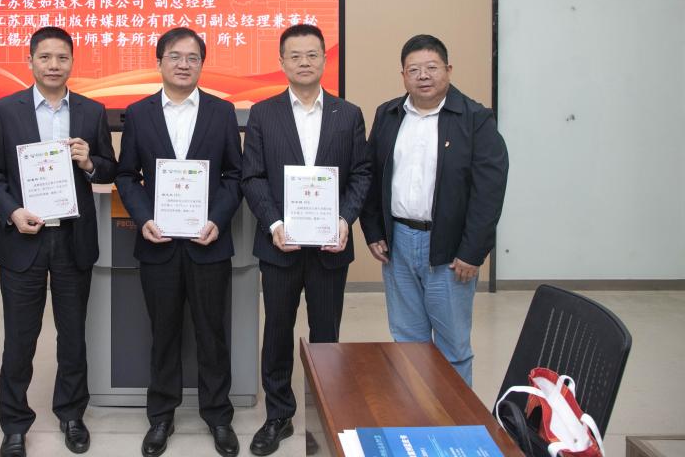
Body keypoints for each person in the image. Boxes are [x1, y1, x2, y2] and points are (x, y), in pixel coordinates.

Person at [0, 27, 117, 457]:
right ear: (30, 61)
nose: (54, 65)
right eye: (45, 57)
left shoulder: (92, 111)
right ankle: (14, 423)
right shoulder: (5, 110)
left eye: (62, 58)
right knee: (19, 338)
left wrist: (90, 162)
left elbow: (110, 168)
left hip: (73, 238)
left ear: (72, 62)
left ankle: (72, 414)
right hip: (24, 237)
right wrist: (12, 211)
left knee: (73, 336)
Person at [241, 24, 371, 456]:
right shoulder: (263, 113)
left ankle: (325, 412)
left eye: (312, 54)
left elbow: (361, 173)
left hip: (331, 247)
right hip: (280, 245)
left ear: (324, 60)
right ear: (281, 62)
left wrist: (345, 218)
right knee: (277, 332)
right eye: (294, 56)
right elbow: (252, 176)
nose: (303, 62)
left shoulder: (348, 114)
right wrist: (274, 223)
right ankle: (278, 416)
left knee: (326, 334)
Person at [115, 27, 243, 457]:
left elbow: (234, 175)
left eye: (192, 57)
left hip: (209, 242)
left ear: (202, 64)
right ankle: (161, 417)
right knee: (164, 332)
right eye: (175, 56)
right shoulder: (139, 113)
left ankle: (218, 416)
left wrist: (217, 220)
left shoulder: (222, 112)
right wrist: (144, 218)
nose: (184, 64)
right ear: (160, 63)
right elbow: (126, 175)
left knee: (212, 333)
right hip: (159, 243)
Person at [360, 34, 508, 386]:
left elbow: (489, 192)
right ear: (403, 75)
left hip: (449, 248)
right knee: (407, 341)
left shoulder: (475, 119)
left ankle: (452, 419)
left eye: (431, 67)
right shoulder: (389, 114)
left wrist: (472, 252)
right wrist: (374, 230)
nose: (423, 76)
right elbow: (371, 174)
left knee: (452, 347)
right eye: (414, 70)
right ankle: (415, 413)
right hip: (398, 243)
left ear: (448, 70)